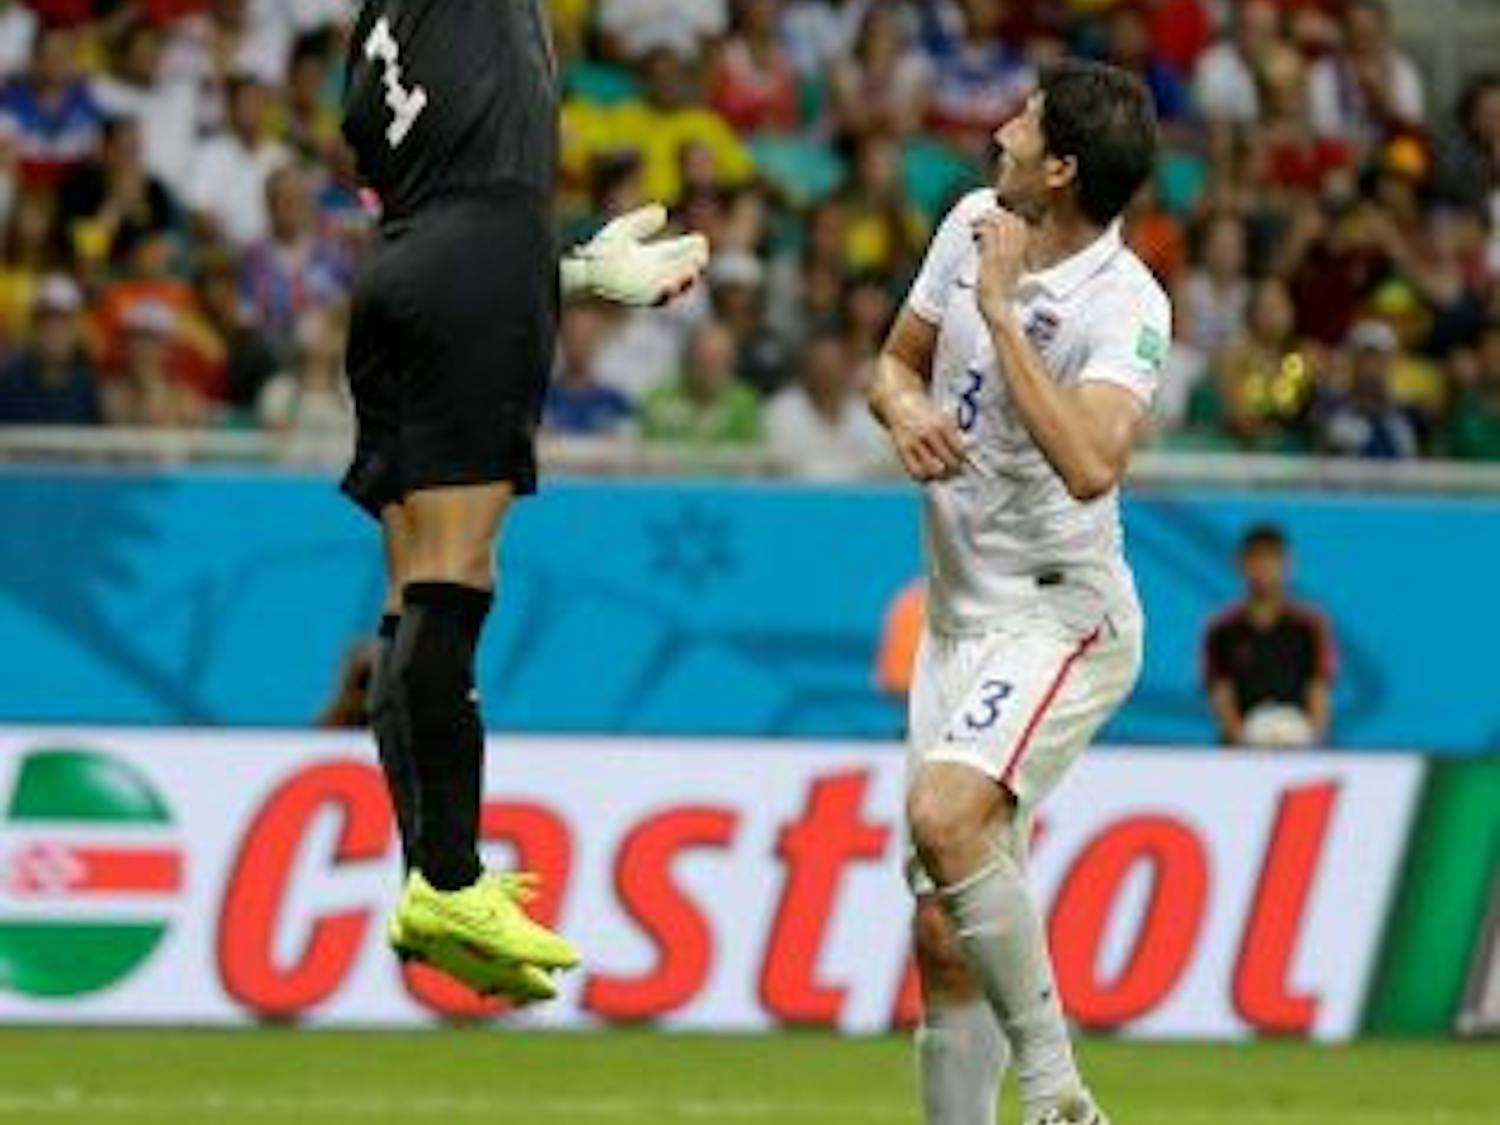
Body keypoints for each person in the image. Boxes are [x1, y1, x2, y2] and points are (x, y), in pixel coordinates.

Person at [340, 0, 707, 1005]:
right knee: (459, 575)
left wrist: (580, 271)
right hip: (481, 263)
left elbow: (447, 185)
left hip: (401, 270)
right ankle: (451, 879)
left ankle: (429, 873)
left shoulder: (370, 53)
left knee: (414, 585)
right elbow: (486, 210)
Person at [868, 61, 1168, 1125]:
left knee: (948, 819)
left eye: (1025, 123)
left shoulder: (1128, 304)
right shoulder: (968, 221)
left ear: (1063, 169)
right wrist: (902, 410)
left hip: (1057, 618)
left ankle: (1054, 1093)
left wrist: (1001, 312)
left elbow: (1092, 463)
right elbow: (892, 365)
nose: (1000, 130)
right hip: (958, 621)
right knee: (943, 931)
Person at [1203, 524, 1337, 748]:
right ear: (1241, 565)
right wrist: (1244, 742)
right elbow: (1221, 695)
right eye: (1256, 559)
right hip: (1240, 749)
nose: (1264, 568)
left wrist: (1310, 739)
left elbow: (1319, 690)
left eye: (1272, 559)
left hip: (1299, 743)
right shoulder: (1221, 629)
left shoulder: (1310, 627)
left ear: (1287, 565)